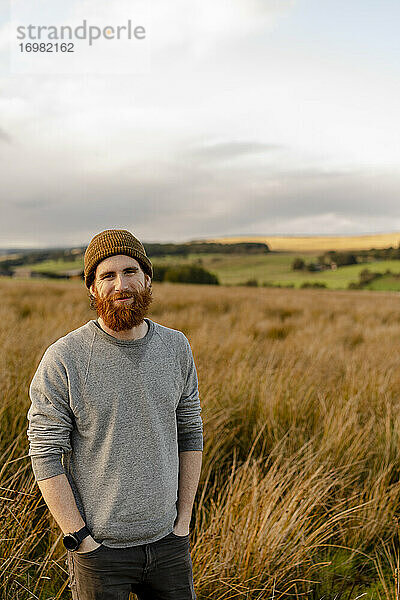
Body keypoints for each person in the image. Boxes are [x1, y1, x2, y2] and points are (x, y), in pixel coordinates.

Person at [26, 229, 203, 600]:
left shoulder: (176, 346)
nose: (121, 284)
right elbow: (45, 452)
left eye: (130, 272)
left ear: (147, 278)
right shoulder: (65, 358)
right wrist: (79, 538)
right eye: (107, 276)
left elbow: (190, 431)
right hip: (99, 554)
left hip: (169, 542)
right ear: (92, 288)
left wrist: (183, 521)